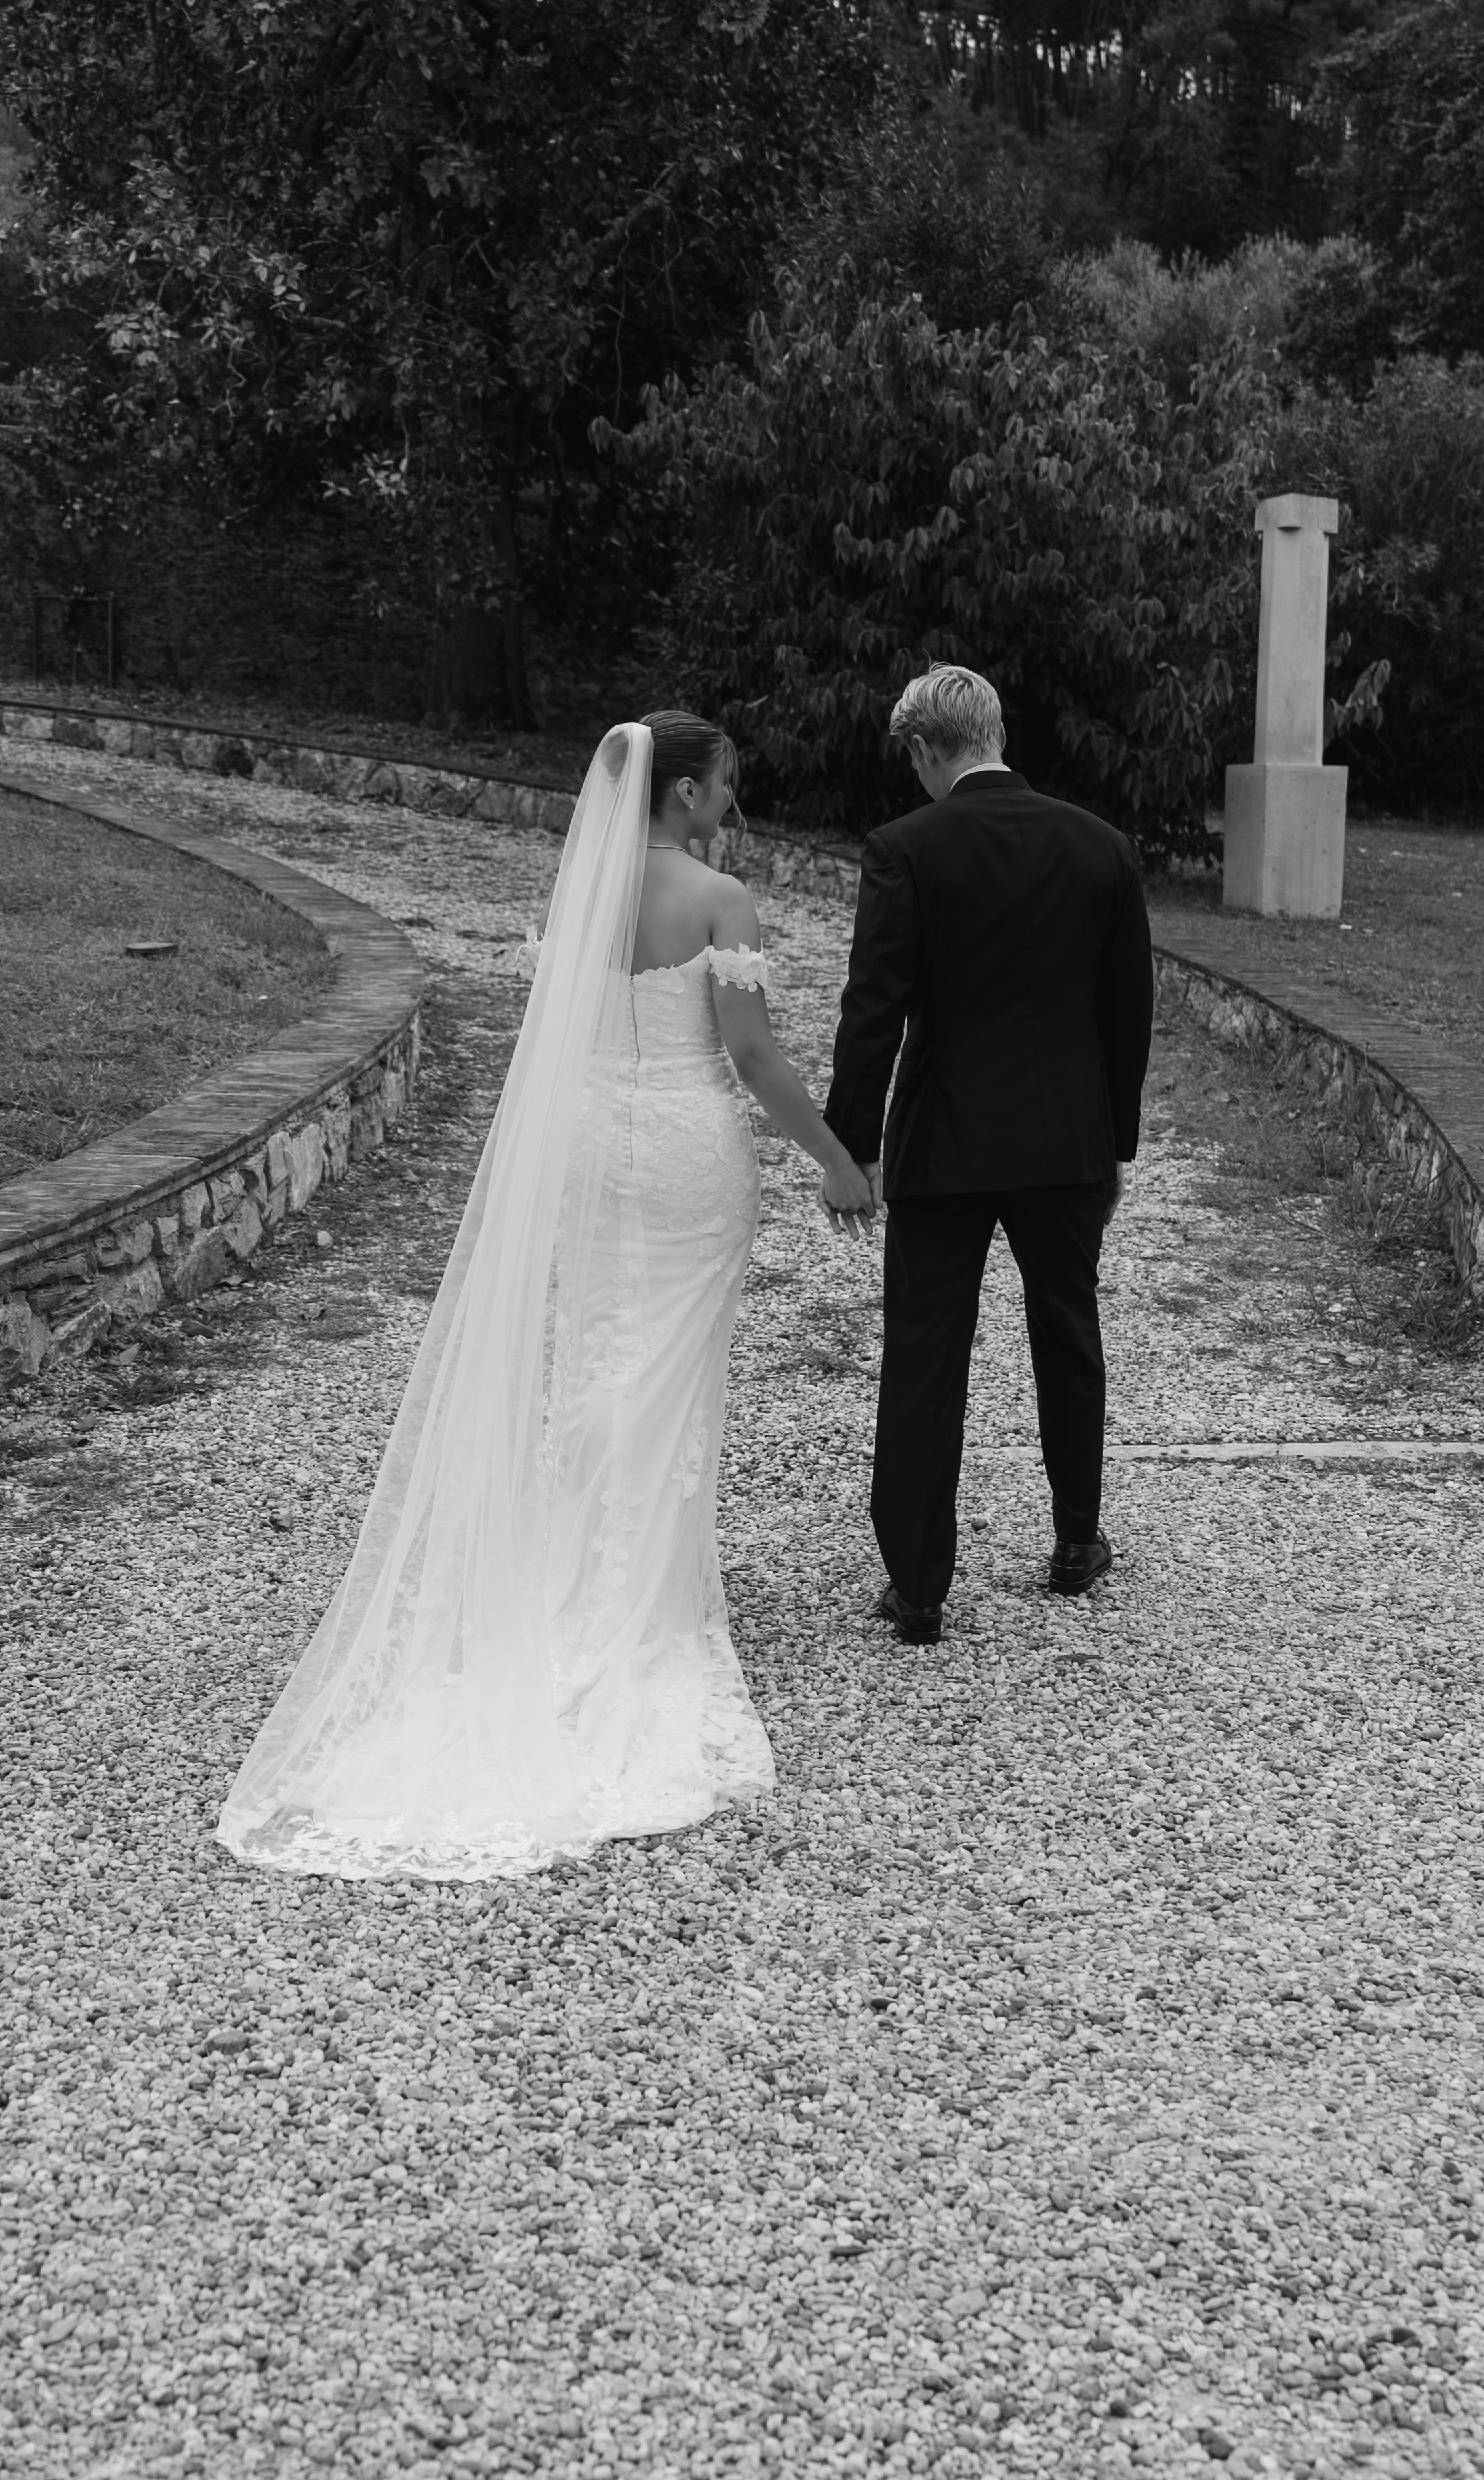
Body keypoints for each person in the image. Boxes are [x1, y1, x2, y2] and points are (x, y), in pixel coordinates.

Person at [219, 715, 873, 1880]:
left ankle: (587, 1566)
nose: (733, 803)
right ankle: (643, 1599)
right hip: (685, 1149)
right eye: (724, 784)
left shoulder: (585, 890)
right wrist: (837, 1162)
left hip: (588, 1144)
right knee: (670, 1362)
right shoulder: (719, 898)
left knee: (603, 1348)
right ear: (683, 792)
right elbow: (754, 1058)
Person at [823, 664, 1154, 1646]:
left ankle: (919, 1587)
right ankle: (1077, 1540)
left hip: (946, 1139)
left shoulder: (905, 849)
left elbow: (873, 1011)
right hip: (1066, 1141)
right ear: (996, 732)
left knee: (926, 1351)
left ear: (929, 749)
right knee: (1069, 1330)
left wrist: (853, 1147)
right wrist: (1115, 1144)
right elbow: (1127, 1015)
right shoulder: (1102, 847)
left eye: (913, 760)